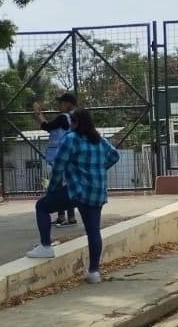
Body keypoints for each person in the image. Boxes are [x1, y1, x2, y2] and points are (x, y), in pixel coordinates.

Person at [26, 109, 119, 283]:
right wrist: (99, 168)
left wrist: (52, 189)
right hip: (97, 192)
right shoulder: (99, 140)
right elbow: (115, 156)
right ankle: (94, 272)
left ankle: (46, 246)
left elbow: (58, 167)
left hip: (77, 190)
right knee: (93, 231)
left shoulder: (70, 139)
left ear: (75, 123)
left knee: (42, 207)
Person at [37, 93, 78, 227]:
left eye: (61, 102)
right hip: (70, 156)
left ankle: (62, 217)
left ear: (67, 104)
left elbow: (47, 126)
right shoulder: (75, 118)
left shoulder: (63, 117)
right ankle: (69, 217)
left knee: (59, 187)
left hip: (59, 157)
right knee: (68, 185)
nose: (59, 105)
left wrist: (38, 114)